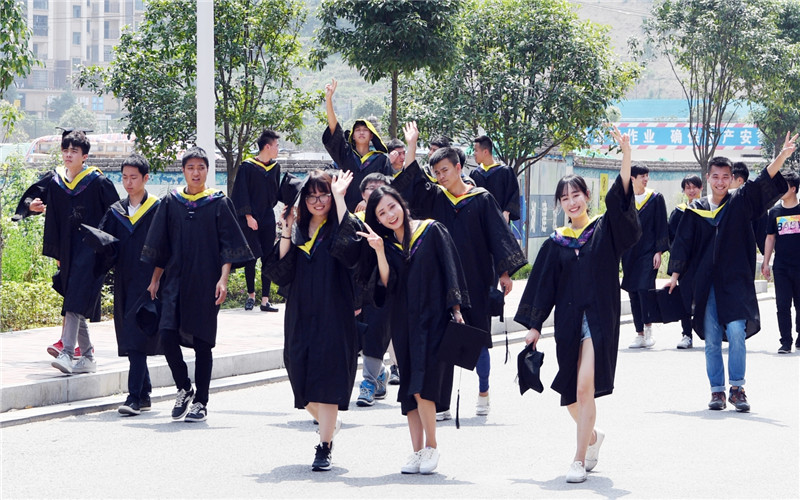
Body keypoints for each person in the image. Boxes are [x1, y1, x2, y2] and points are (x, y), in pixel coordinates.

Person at [514, 126, 640, 483]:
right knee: (570, 393)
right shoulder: (556, 244)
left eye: (577, 194)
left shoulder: (605, 229)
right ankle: (594, 437)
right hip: (569, 323)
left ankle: (578, 458)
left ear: (587, 196)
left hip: (598, 319)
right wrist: (535, 326)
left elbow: (622, 198)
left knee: (585, 389)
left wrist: (625, 156)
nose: (572, 201)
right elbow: (543, 287)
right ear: (559, 204)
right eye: (565, 197)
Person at [393, 122, 527, 419]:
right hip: (441, 281)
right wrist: (411, 145)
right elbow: (412, 185)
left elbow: (498, 236)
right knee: (443, 340)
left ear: (457, 167)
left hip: (476, 278)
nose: (441, 176)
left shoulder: (481, 199)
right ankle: (439, 400)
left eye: (445, 170)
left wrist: (505, 273)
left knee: (476, 337)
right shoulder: (436, 197)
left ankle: (483, 391)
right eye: (436, 172)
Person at [668, 133, 796, 412]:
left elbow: (763, 181)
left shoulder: (739, 203)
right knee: (712, 338)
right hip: (707, 283)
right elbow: (683, 244)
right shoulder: (696, 210)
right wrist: (676, 275)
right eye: (716, 176)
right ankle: (717, 392)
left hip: (735, 281)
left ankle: (737, 387)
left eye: (726, 177)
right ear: (708, 177)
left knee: (737, 331)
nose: (721, 181)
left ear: (731, 179)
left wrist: (782, 156)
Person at [357, 185, 469, 474]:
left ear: (402, 203)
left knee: (422, 385)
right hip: (404, 323)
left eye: (392, 206)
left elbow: (451, 270)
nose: (389, 215)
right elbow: (387, 284)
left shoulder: (432, 231)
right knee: (409, 387)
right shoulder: (387, 244)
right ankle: (417, 452)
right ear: (378, 220)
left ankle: (432, 446)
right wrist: (380, 252)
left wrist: (456, 310)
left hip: (433, 321)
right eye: (381, 213)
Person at [142, 147, 252, 423]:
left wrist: (223, 280)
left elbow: (229, 245)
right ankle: (184, 386)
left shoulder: (218, 202)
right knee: (166, 334)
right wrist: (155, 279)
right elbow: (162, 245)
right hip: (175, 280)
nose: (196, 172)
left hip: (205, 281)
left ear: (207, 171)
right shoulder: (171, 202)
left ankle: (201, 401)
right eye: (191, 167)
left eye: (201, 167)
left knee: (203, 342)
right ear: (183, 171)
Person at [265, 169, 363, 472]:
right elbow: (280, 270)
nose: (318, 201)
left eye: (323, 195)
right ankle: (328, 424)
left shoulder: (339, 228)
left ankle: (324, 446)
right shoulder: (299, 232)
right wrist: (287, 227)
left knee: (330, 376)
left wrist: (340, 197)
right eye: (312, 196)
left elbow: (352, 246)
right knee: (298, 369)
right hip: (301, 312)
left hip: (334, 311)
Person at [45, 130, 120, 374]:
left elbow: (116, 213)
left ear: (84, 156)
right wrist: (57, 252)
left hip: (90, 250)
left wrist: (109, 248)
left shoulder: (98, 182)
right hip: (67, 250)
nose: (68, 155)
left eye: (74, 151)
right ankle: (87, 357)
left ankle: (67, 352)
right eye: (65, 150)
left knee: (75, 298)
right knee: (74, 300)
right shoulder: (57, 184)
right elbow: (54, 219)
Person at [92, 154, 162, 415]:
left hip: (148, 282)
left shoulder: (157, 209)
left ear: (146, 178)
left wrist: (158, 280)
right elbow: (105, 246)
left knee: (137, 335)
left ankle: (133, 397)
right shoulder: (116, 211)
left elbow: (166, 246)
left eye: (134, 177)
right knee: (131, 334)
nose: (128, 183)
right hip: (124, 280)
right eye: (124, 178)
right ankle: (144, 393)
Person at [353, 173, 400, 406]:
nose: (375, 191)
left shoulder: (394, 221)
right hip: (359, 286)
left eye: (381, 188)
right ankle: (380, 373)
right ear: (362, 194)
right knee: (357, 337)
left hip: (385, 288)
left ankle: (369, 383)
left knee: (374, 334)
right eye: (370, 188)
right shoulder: (355, 221)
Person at [230, 129, 282, 313]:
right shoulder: (247, 166)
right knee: (251, 258)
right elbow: (241, 193)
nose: (278, 149)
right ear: (267, 146)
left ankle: (265, 300)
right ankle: (251, 296)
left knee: (268, 257)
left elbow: (275, 193)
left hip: (267, 217)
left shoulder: (275, 168)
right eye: (276, 145)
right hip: (249, 218)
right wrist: (249, 216)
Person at [322, 78, 393, 211]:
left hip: (373, 212)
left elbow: (387, 187)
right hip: (344, 211)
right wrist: (329, 99)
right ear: (352, 136)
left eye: (365, 130)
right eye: (358, 130)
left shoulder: (382, 160)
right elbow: (334, 129)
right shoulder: (345, 155)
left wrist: (368, 201)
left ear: (371, 135)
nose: (361, 132)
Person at [622, 164, 669, 349]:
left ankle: (649, 329)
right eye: (642, 176)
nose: (646, 179)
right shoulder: (625, 199)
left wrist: (659, 251)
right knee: (633, 291)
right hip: (629, 253)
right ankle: (639, 333)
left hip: (648, 252)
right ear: (632, 178)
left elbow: (661, 225)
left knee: (644, 290)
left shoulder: (655, 198)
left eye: (647, 175)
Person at [761, 170, 800, 354]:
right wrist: (766, 262)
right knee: (782, 304)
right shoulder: (775, 212)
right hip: (782, 266)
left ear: (793, 188)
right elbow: (770, 238)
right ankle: (785, 341)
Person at [667, 174, 703, 349]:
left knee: (706, 298)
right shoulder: (679, 211)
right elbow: (673, 239)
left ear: (701, 188)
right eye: (688, 187)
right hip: (685, 265)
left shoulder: (708, 209)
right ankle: (686, 334)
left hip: (704, 261)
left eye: (694, 187)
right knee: (685, 299)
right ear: (683, 190)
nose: (691, 190)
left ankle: (711, 332)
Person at [470, 135, 521, 223]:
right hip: (479, 223)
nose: (474, 153)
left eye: (476, 150)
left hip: (500, 223)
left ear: (485, 152)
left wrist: (506, 212)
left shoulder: (505, 172)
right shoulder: (475, 174)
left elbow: (513, 194)